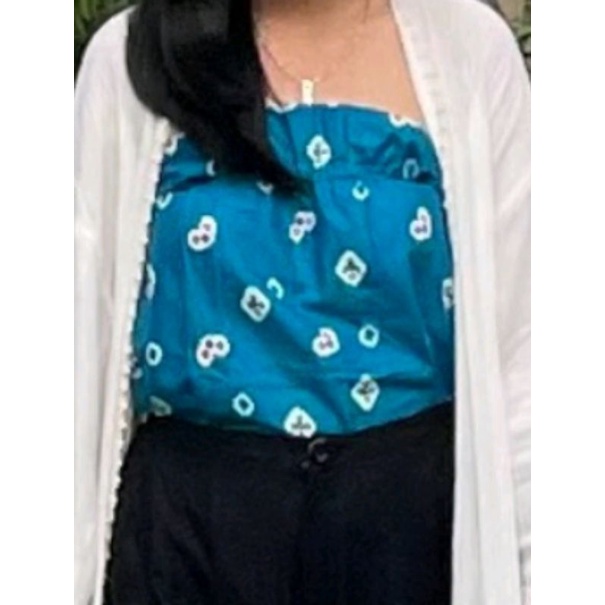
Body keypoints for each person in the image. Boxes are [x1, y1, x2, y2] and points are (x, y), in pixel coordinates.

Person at [75, 0, 531, 604]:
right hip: (188, 545)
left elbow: (526, 360)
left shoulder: (470, 50)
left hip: (408, 540)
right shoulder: (130, 58)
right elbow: (73, 355)